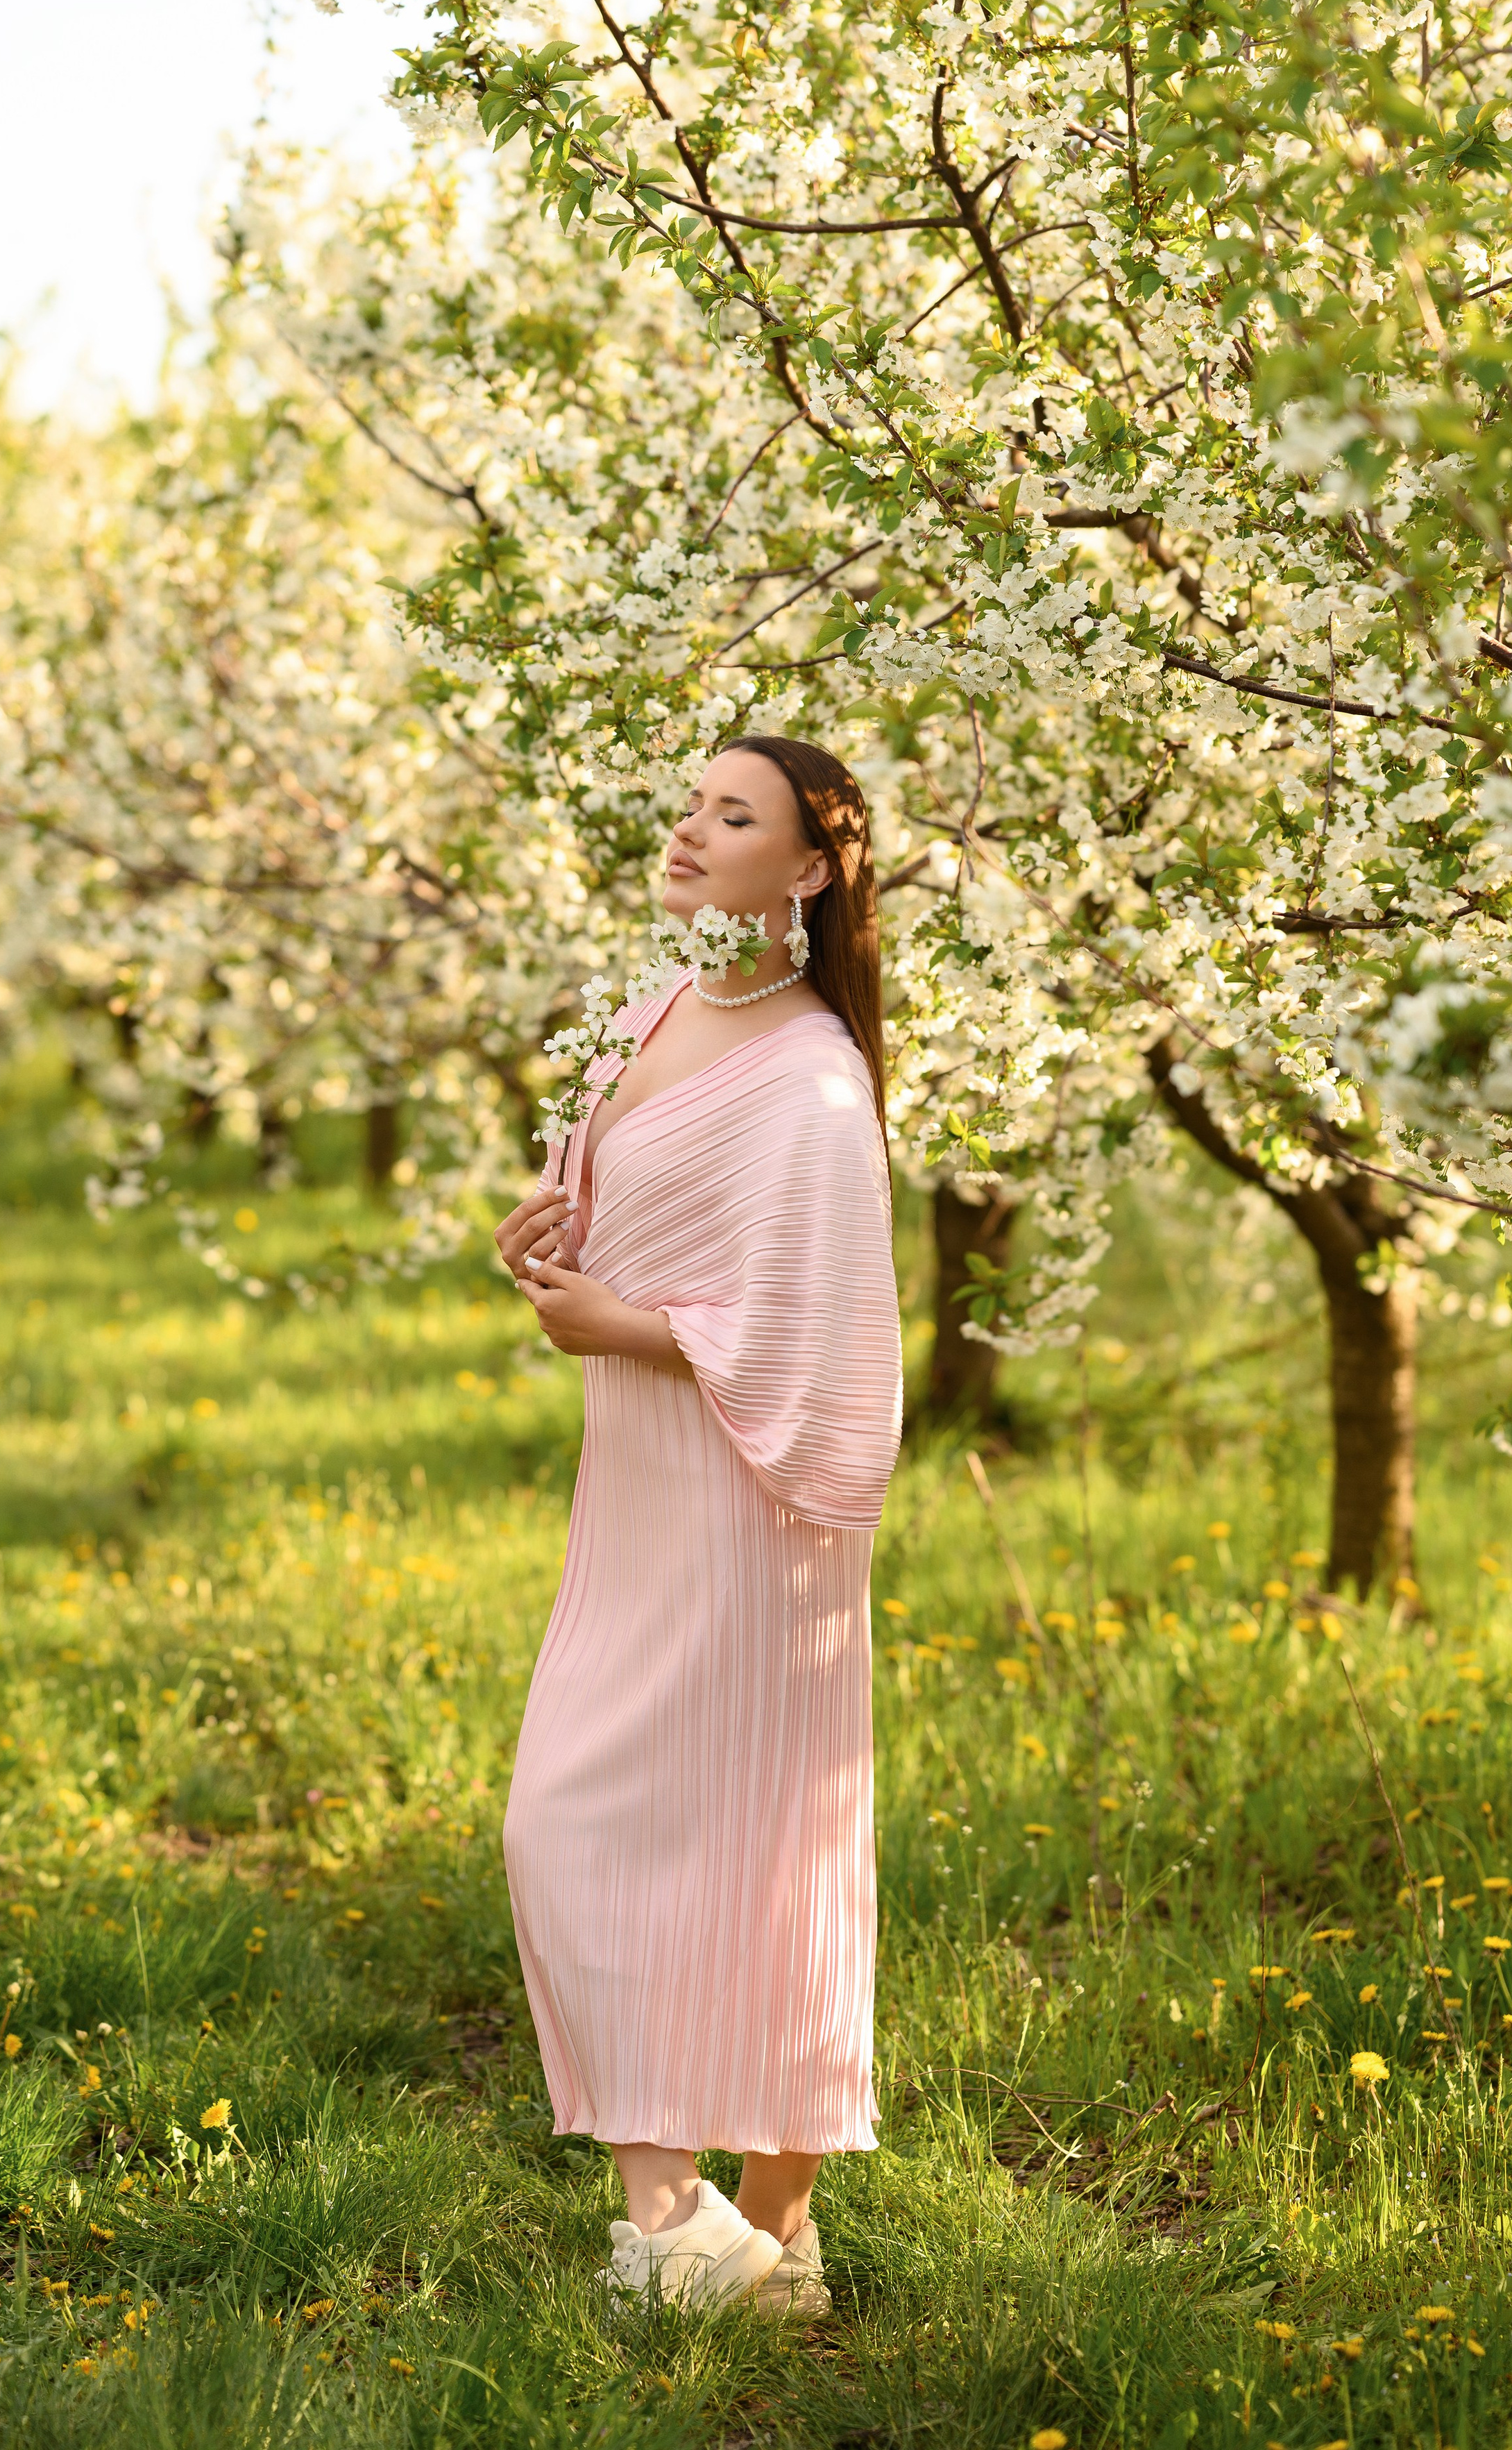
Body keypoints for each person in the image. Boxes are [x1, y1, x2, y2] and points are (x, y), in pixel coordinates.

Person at [495, 734, 902, 2316]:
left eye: (734, 815)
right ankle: (713, 2246)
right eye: (693, 802)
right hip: (639, 1487)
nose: (691, 829)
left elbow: (819, 1335)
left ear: (804, 870)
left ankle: (729, 2231)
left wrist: (623, 1325)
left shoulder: (811, 1079)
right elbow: (613, 1221)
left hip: (756, 1499)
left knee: (762, 1845)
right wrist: (548, 1249)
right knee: (572, 1821)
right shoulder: (644, 1006)